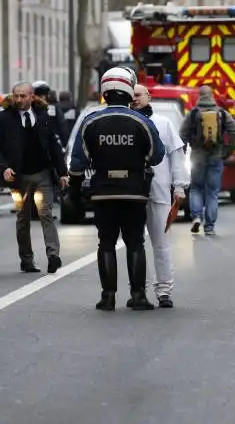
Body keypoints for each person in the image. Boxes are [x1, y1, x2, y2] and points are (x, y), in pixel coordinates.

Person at [69, 67, 165, 311]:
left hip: (103, 192)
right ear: (128, 90)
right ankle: (139, 296)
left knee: (106, 243)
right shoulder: (142, 121)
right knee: (135, 243)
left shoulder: (91, 122)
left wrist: (75, 191)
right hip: (134, 191)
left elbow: (77, 163)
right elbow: (157, 156)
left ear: (105, 92)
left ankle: (108, 297)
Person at [0, 82, 68, 274]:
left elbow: (53, 146)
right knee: (23, 218)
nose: (19, 99)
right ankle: (27, 259)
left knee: (45, 213)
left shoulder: (43, 116)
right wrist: (4, 167)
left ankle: (53, 256)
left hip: (42, 174)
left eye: (23, 96)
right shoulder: (3, 118)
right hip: (18, 176)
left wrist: (63, 172)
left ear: (32, 97)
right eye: (16, 96)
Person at [131, 84, 188, 308]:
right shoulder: (125, 122)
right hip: (132, 192)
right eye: (131, 95)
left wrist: (180, 186)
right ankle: (138, 290)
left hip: (159, 191)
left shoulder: (163, 123)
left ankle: (164, 290)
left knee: (161, 243)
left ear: (148, 96)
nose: (135, 99)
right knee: (135, 244)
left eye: (139, 95)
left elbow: (177, 156)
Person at [180, 85, 235, 236]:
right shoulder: (222, 113)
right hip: (216, 155)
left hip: (197, 156)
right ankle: (209, 227)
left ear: (199, 96)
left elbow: (181, 135)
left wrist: (184, 152)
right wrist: (227, 151)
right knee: (212, 192)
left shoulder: (193, 114)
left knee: (196, 188)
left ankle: (196, 217)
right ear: (212, 95)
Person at [33, 81, 68, 146]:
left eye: (44, 95)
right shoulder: (28, 110)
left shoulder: (53, 108)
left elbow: (62, 126)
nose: (42, 98)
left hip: (50, 143)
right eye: (40, 95)